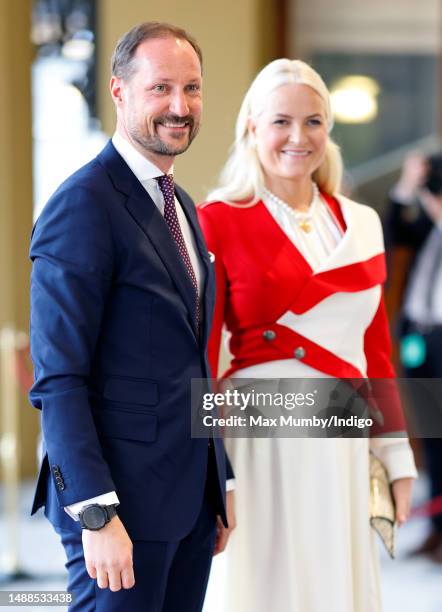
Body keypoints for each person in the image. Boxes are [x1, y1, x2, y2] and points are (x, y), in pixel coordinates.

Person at [29, 22, 235, 612]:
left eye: (192, 89)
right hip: (118, 509)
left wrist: (216, 483)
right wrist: (96, 514)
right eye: (161, 88)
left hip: (188, 498)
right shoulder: (83, 206)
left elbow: (192, 357)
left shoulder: (180, 205)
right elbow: (58, 379)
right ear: (118, 91)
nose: (180, 106)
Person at [197, 59, 417, 612]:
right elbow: (201, 353)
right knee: (266, 582)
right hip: (259, 440)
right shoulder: (218, 219)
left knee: (333, 581)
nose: (299, 137)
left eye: (314, 122)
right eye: (282, 122)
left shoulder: (362, 222)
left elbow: (375, 351)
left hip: (342, 435)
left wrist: (396, 458)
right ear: (252, 125)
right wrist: (209, 469)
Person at [385, 151, 442, 561]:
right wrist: (408, 187)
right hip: (421, 340)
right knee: (433, 438)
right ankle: (437, 530)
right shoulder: (427, 225)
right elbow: (393, 234)